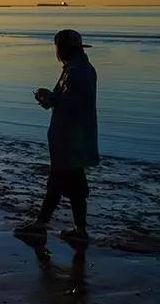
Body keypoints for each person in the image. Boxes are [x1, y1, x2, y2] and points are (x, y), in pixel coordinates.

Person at [15, 29, 99, 244]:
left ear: (61, 49)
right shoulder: (82, 69)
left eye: (57, 47)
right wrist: (49, 99)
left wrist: (49, 97)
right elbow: (67, 102)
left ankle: (41, 225)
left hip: (69, 137)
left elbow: (69, 104)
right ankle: (79, 229)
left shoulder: (76, 72)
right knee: (75, 182)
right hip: (76, 135)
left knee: (58, 180)